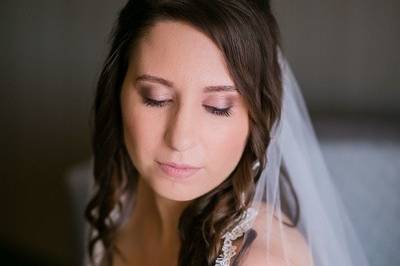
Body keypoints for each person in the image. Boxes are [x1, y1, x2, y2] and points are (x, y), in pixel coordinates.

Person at [84, 1, 370, 266]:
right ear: (117, 90)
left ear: (256, 116)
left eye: (217, 107)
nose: (180, 139)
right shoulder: (113, 199)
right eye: (155, 98)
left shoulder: (261, 259)